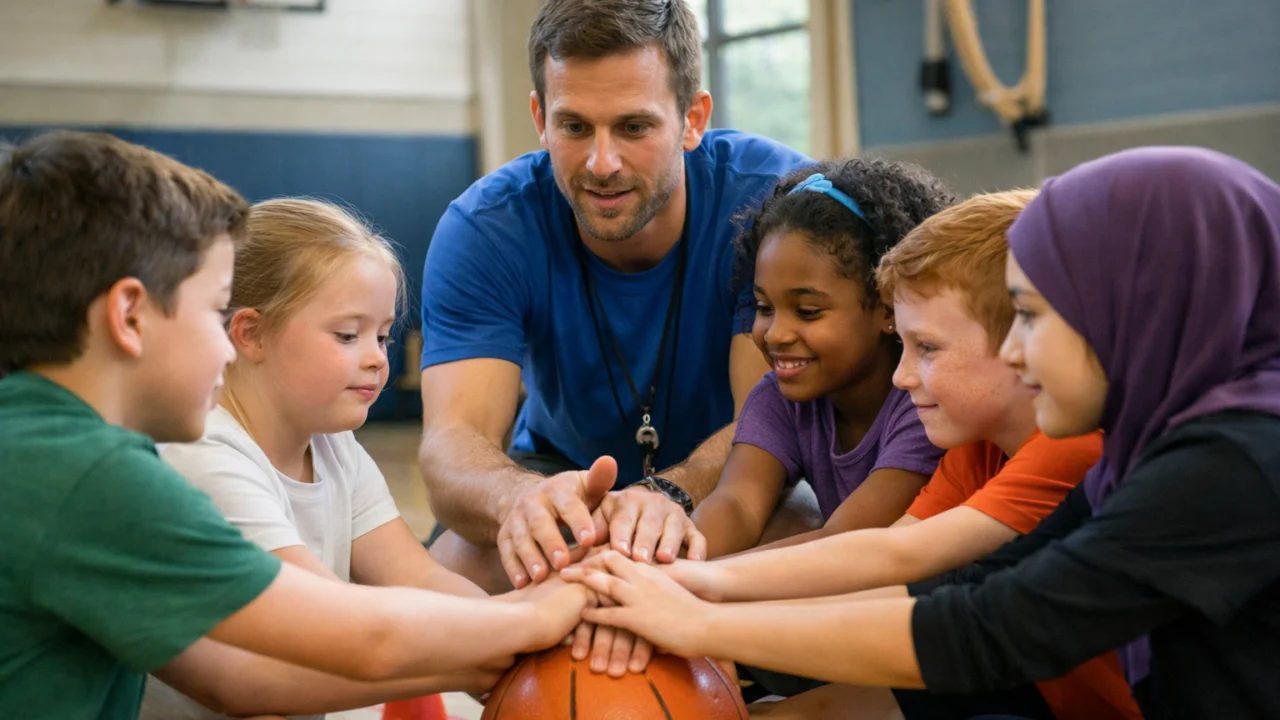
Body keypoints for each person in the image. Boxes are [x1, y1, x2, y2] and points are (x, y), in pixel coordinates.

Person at [565, 147, 1280, 719]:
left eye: (1032, 316)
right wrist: (683, 585)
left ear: (1139, 309)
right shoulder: (1159, 446)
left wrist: (699, 622)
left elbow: (994, 626)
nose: (1017, 350)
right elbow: (968, 581)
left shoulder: (1232, 462)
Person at [0, 130, 590, 719]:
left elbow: (238, 680)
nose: (224, 344)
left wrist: (490, 653)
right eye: (213, 311)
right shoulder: (92, 473)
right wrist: (539, 615)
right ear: (129, 316)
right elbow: (357, 634)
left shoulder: (45, 445)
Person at [669, 189, 1138, 719]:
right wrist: (672, 589)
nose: (902, 375)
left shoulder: (1073, 446)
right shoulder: (975, 445)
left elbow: (898, 562)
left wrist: (687, 606)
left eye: (927, 348)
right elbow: (887, 553)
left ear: (1022, 341)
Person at [417, 0, 812, 600]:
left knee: (813, 540)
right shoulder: (486, 227)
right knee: (448, 579)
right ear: (540, 119)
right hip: (559, 474)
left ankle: (753, 694)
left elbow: (768, 423)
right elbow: (451, 446)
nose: (602, 164)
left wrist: (668, 495)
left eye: (633, 127)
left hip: (730, 477)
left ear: (692, 119)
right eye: (575, 127)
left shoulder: (772, 204)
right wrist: (520, 499)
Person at [140, 198, 506, 719]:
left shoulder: (334, 446)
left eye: (382, 335)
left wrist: (522, 638)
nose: (378, 357)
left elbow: (418, 578)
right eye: (347, 335)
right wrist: (523, 625)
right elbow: (340, 623)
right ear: (251, 334)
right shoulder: (205, 456)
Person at [692, 157, 951, 561]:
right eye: (764, 306)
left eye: (808, 312)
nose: (776, 334)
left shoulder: (925, 403)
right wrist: (661, 562)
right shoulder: (779, 397)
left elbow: (848, 542)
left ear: (887, 309)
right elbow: (737, 505)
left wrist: (680, 583)